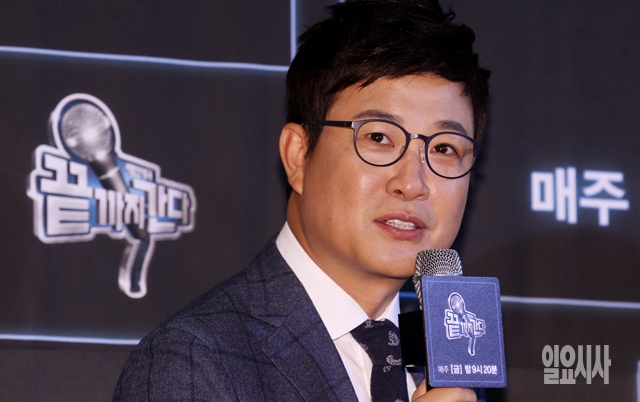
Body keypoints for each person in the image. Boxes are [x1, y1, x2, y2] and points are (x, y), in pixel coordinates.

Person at [113, 0, 490, 401]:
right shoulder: (191, 363)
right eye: (379, 138)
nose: (412, 184)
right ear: (298, 156)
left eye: (445, 148)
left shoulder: (452, 365)